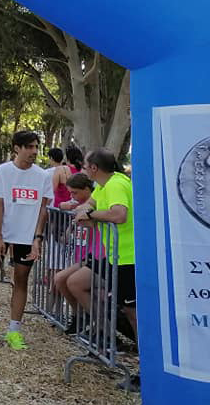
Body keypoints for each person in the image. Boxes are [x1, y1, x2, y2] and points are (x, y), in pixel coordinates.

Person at [0, 130, 52, 350]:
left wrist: (37, 238)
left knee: (21, 279)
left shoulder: (43, 176)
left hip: (26, 237)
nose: (34, 151)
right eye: (29, 147)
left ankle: (14, 330)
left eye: (36, 147)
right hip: (1, 234)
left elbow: (43, 209)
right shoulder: (2, 172)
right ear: (17, 148)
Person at [74, 149, 137, 348]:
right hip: (116, 257)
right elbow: (85, 207)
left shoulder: (116, 185)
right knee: (127, 309)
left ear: (94, 168)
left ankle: (146, 362)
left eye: (84, 166)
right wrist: (87, 213)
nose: (83, 170)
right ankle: (110, 337)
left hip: (129, 257)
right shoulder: (103, 186)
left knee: (133, 312)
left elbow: (119, 215)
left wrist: (91, 216)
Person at [52, 173, 106, 333]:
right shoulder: (79, 207)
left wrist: (76, 211)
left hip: (98, 256)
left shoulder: (94, 205)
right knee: (59, 279)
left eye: (75, 192)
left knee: (73, 282)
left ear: (87, 189)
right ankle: (79, 315)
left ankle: (100, 325)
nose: (72, 196)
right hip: (84, 256)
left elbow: (90, 218)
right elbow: (62, 207)